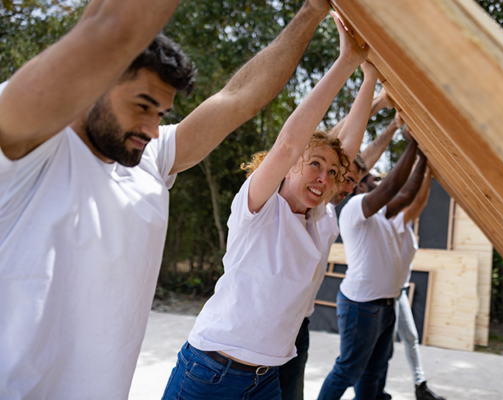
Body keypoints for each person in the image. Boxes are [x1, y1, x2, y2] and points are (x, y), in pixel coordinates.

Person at [0, 0, 335, 398]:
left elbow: (240, 98)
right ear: (93, 81)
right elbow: (106, 28)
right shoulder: (27, 150)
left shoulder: (149, 158)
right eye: (142, 106)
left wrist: (313, 10)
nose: (152, 128)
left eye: (160, 114)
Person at [161, 11, 368, 400]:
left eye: (332, 173)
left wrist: (369, 78)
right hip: (211, 372)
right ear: (290, 167)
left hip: (266, 379)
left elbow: (348, 154)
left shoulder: (319, 221)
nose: (324, 177)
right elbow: (290, 142)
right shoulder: (258, 208)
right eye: (315, 165)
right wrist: (347, 63)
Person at [278, 76, 397, 400]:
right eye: (337, 176)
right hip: (266, 328)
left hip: (297, 328)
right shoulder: (301, 202)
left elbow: (358, 160)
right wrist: (376, 102)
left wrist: (394, 126)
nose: (346, 186)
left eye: (350, 182)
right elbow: (326, 147)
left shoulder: (327, 211)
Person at [317, 129, 426, 400]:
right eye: (375, 179)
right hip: (362, 306)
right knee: (349, 370)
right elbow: (392, 188)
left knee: (376, 371)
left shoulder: (383, 215)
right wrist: (413, 143)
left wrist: (423, 157)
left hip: (386, 304)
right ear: (362, 186)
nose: (382, 182)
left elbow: (405, 194)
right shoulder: (355, 207)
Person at [386, 165, 446, 400]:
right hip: (389, 294)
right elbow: (418, 200)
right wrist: (426, 170)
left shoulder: (405, 225)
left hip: (399, 293)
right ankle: (370, 389)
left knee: (410, 337)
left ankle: (420, 386)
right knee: (384, 348)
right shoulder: (396, 221)